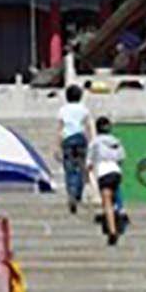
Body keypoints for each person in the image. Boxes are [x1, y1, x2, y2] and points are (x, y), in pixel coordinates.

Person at [90, 116, 127, 245]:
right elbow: (122, 157)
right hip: (116, 171)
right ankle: (121, 212)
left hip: (104, 173)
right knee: (115, 193)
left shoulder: (95, 142)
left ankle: (112, 230)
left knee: (107, 203)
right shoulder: (116, 141)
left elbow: (89, 160)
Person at [57, 84, 91, 213]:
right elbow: (87, 126)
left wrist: (57, 145)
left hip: (68, 140)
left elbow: (60, 128)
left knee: (69, 168)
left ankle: (71, 192)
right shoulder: (84, 109)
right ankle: (78, 193)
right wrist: (90, 141)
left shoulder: (63, 110)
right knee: (81, 167)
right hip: (80, 139)